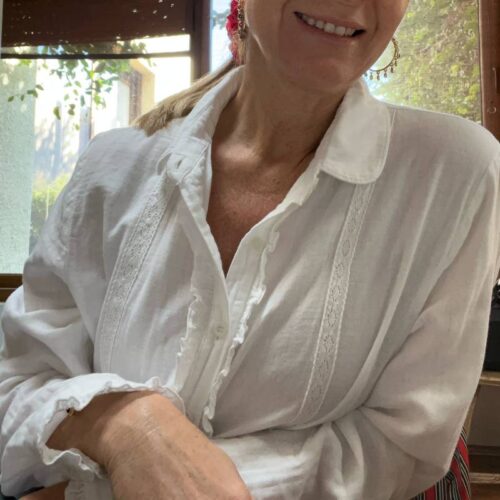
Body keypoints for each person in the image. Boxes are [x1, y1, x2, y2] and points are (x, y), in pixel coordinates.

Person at [0, 0, 499, 498]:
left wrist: (92, 491)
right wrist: (125, 424)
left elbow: (401, 446)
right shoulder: (110, 167)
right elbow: (14, 385)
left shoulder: (457, 176)